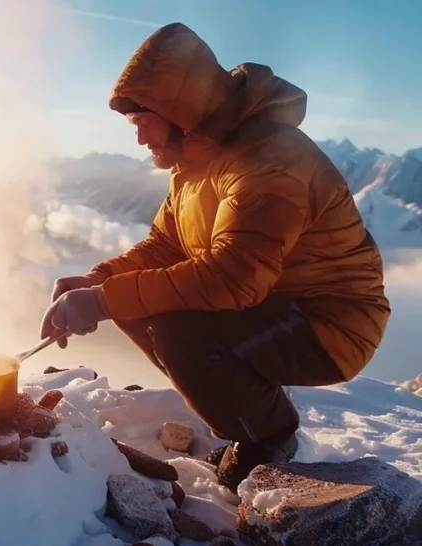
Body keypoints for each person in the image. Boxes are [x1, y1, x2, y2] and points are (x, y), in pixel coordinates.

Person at [39, 22, 391, 491]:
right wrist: (96, 281)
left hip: (332, 320)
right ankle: (248, 408)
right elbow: (165, 247)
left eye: (144, 123)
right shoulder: (195, 164)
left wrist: (103, 300)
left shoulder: (269, 161)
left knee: (180, 331)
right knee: (137, 303)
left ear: (178, 112)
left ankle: (269, 435)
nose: (140, 139)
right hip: (277, 303)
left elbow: (234, 277)